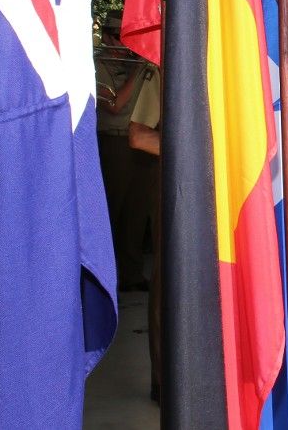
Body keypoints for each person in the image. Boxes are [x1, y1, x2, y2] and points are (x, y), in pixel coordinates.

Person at [95, 10, 151, 293]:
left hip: (140, 145)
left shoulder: (136, 65)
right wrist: (139, 68)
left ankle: (132, 274)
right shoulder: (98, 66)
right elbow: (115, 105)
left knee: (136, 214)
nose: (122, 43)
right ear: (106, 36)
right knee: (111, 211)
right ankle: (106, 276)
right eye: (117, 37)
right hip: (113, 143)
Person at [127, 65, 162, 406]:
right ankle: (164, 380)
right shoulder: (162, 67)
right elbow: (138, 134)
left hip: (222, 185)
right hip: (175, 182)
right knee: (169, 280)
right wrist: (194, 146)